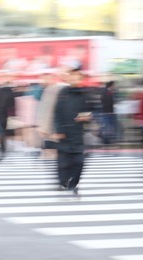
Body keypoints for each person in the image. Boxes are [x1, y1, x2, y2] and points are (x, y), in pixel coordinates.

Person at [53, 69, 93, 197]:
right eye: (72, 77)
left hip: (78, 133)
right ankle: (63, 182)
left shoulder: (85, 94)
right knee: (63, 162)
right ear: (68, 78)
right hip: (64, 132)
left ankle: (73, 184)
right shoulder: (62, 93)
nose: (74, 79)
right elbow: (57, 113)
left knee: (79, 162)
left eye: (77, 77)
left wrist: (87, 117)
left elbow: (92, 111)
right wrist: (59, 130)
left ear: (81, 79)